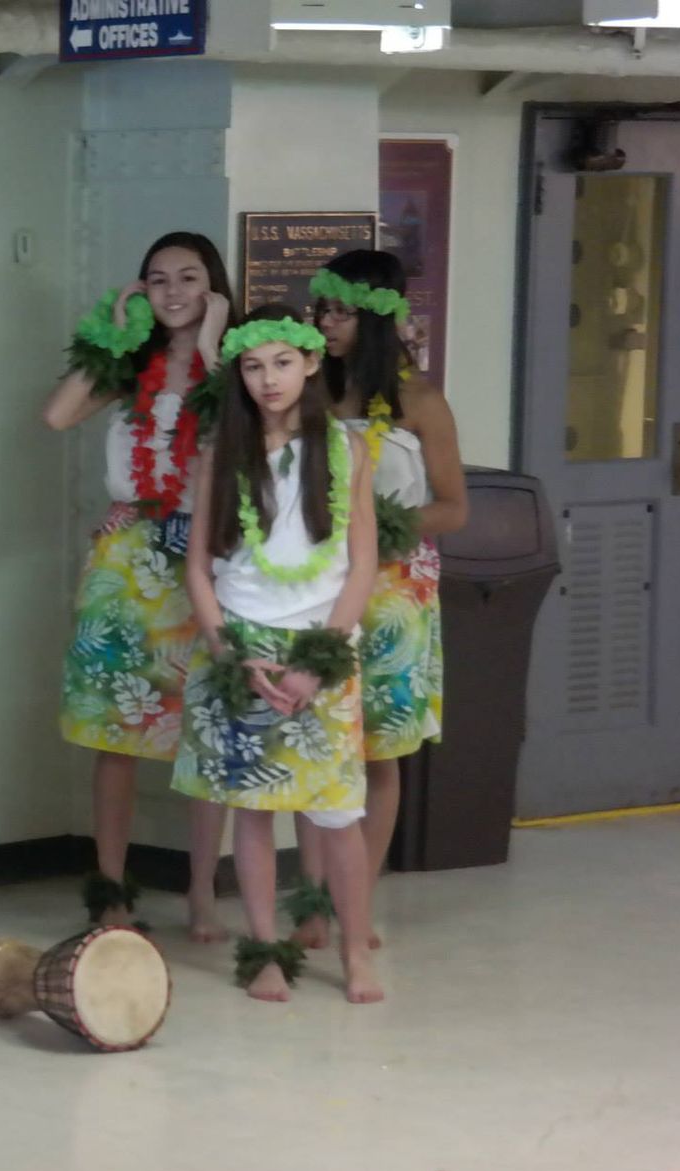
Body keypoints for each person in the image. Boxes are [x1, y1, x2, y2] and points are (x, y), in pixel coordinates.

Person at [171, 305, 383, 1004]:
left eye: (282, 363)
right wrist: (230, 652)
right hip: (242, 648)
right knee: (253, 808)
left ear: (311, 363)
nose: (268, 379)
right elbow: (200, 566)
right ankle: (264, 949)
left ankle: (355, 951)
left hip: (320, 648)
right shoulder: (221, 451)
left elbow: (361, 567)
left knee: (336, 814)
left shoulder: (347, 449)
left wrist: (319, 659)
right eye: (254, 366)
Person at [42, 232, 235, 940]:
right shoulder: (131, 365)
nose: (174, 291)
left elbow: (237, 422)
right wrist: (112, 333)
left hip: (206, 558)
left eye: (189, 278)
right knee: (115, 734)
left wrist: (214, 338)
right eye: (157, 279)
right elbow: (58, 413)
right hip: (128, 560)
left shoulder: (244, 363)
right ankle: (113, 891)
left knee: (206, 732)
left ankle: (203, 891)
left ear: (214, 286)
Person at [289, 250, 466, 951]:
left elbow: (454, 509)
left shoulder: (420, 402)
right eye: (323, 310)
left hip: (396, 592)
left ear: (380, 317)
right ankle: (310, 903)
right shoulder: (311, 393)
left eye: (342, 312)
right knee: (314, 743)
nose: (327, 324)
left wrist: (383, 524)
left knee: (378, 750)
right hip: (323, 586)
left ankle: (355, 898)